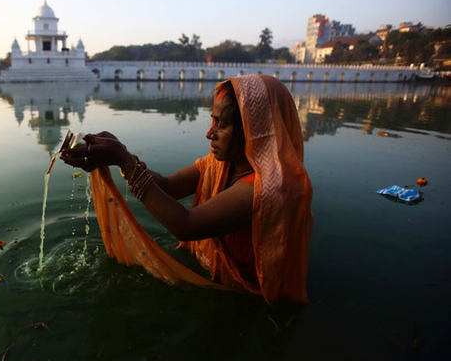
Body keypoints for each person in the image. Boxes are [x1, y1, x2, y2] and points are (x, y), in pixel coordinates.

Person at [60, 74, 313, 303]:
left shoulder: (268, 189)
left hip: (243, 298)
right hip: (210, 274)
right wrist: (119, 153)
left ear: (256, 131)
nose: (209, 133)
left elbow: (187, 226)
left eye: (221, 125)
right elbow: (169, 187)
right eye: (212, 121)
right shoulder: (221, 164)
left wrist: (124, 161)